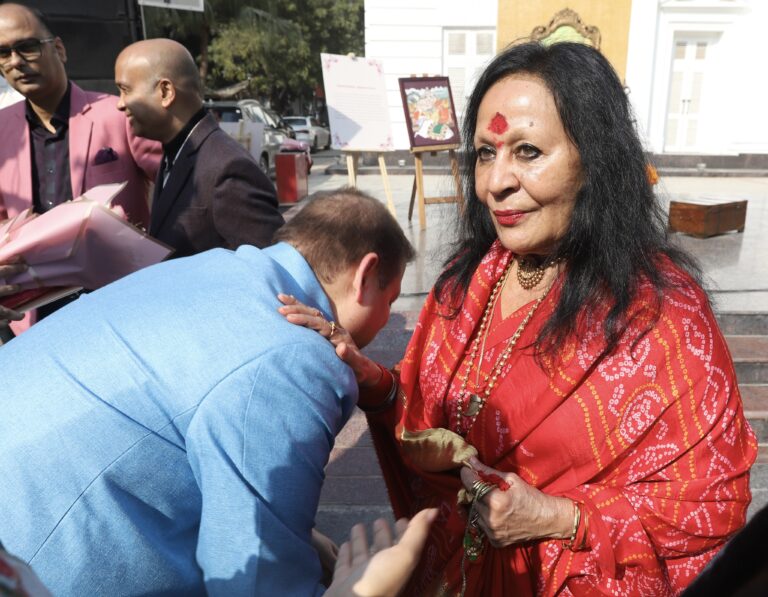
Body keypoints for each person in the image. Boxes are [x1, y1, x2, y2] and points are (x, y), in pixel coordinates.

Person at [280, 42, 757, 595]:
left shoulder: (660, 314)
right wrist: (376, 385)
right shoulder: (468, 280)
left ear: (595, 159)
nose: (495, 183)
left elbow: (710, 504)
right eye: (485, 153)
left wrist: (560, 518)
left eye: (528, 152)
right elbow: (429, 423)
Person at [0, 188, 414, 595]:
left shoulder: (209, 268)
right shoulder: (294, 356)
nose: (384, 321)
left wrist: (295, 536)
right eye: (390, 299)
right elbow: (255, 584)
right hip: (36, 558)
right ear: (365, 275)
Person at [0, 3, 161, 334]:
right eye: (2, 53)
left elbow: (176, 188)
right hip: (34, 317)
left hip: (118, 305)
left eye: (27, 46)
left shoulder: (116, 114)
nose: (15, 62)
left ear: (58, 49)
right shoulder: (2, 129)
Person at [114, 39, 284, 258]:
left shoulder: (228, 169)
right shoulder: (173, 154)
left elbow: (271, 268)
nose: (120, 103)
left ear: (166, 92)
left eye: (125, 90)